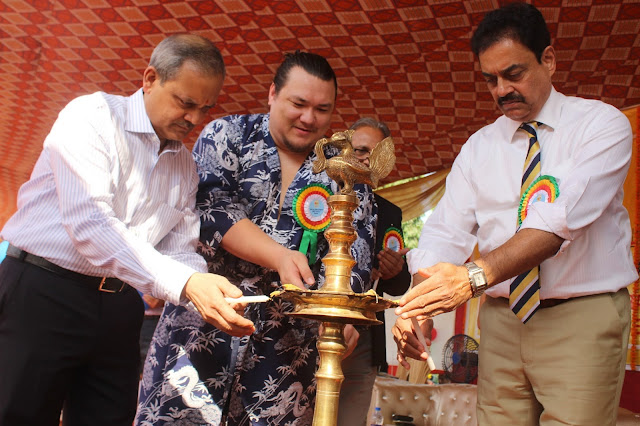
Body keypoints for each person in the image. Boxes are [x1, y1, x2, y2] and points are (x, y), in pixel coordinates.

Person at [393, 3, 636, 425]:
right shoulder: (478, 147)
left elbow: (556, 224)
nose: (501, 90)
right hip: (502, 322)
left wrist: (471, 277)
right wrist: (419, 306)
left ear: (549, 59)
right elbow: (444, 234)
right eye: (491, 79)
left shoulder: (602, 126)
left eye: (514, 73)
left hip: (581, 318)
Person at [0, 34, 255, 426]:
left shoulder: (183, 164)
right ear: (150, 79)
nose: (194, 120)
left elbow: (179, 248)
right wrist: (187, 283)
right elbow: (90, 224)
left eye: (205, 109)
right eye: (185, 103)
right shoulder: (92, 117)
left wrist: (210, 289)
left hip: (119, 304)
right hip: (43, 291)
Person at [136, 51, 377, 426]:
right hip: (200, 331)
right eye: (298, 104)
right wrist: (280, 257)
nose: (309, 118)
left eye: (322, 109)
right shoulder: (227, 134)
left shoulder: (343, 170)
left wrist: (345, 315)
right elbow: (215, 212)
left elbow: (357, 252)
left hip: (287, 356)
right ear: (272, 95)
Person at [338, 118, 411, 426]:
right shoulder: (317, 198)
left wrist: (395, 270)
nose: (367, 159)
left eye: (376, 152)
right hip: (319, 328)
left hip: (366, 339)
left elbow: (399, 284)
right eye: (360, 150)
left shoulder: (390, 211)